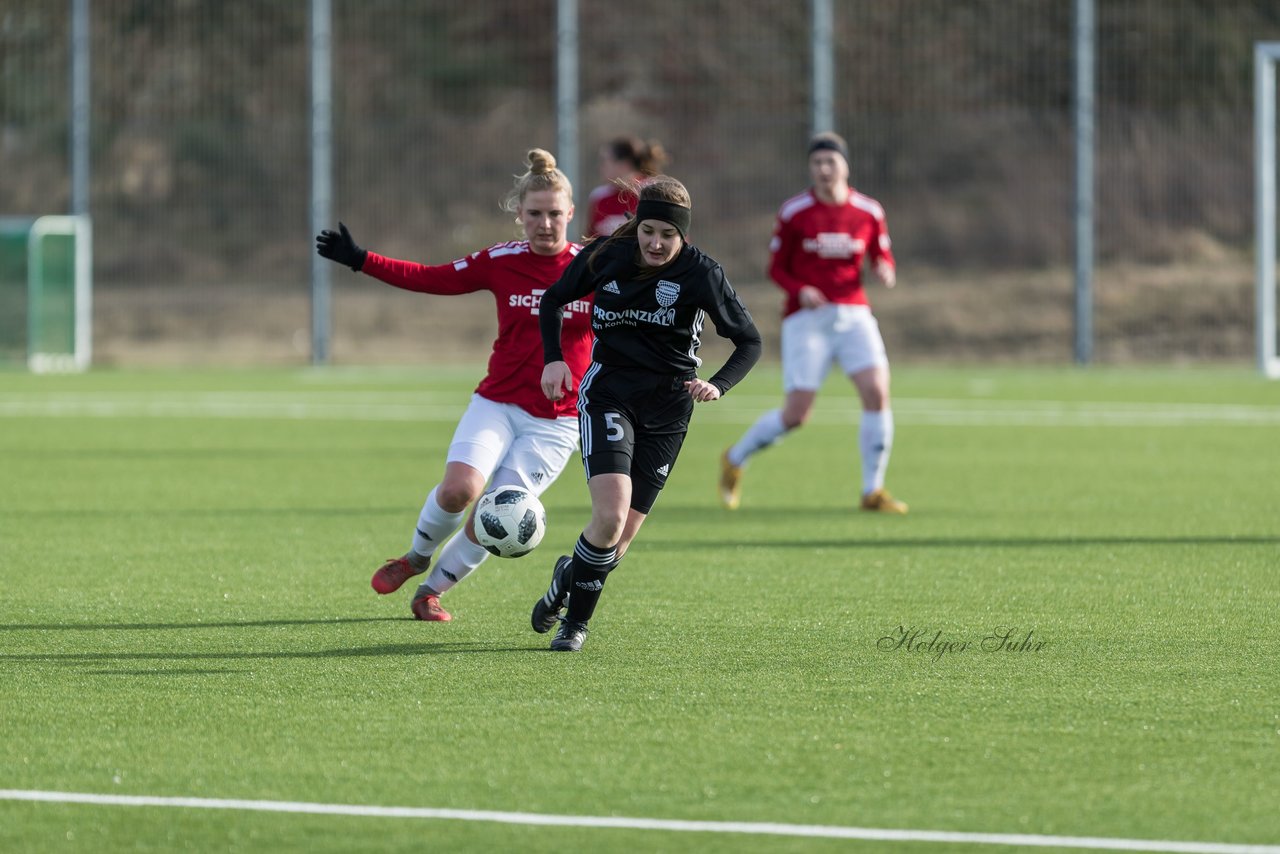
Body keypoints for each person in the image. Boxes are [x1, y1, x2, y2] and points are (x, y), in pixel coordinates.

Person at [314, 149, 593, 622]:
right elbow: (433, 278)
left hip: (559, 422)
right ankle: (415, 556)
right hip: (497, 402)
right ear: (519, 214)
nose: (545, 224)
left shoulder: (593, 269)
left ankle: (430, 592)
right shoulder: (501, 261)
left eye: (554, 214)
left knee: (497, 515)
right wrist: (362, 260)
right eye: (534, 214)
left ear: (570, 214)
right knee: (459, 491)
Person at [533, 175, 763, 652]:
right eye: (649, 231)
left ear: (684, 236)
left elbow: (749, 341)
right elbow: (554, 299)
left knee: (615, 545)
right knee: (611, 514)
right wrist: (554, 356)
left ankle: (566, 578)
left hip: (669, 407)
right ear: (637, 225)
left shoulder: (702, 274)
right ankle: (574, 625)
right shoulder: (607, 256)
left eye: (668, 235)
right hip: (609, 393)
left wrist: (717, 385)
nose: (656, 243)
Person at [719, 132, 907, 514]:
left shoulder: (869, 211)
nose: (823, 169)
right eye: (817, 163)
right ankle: (735, 458)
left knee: (877, 393)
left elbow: (880, 254)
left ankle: (873, 491)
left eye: (830, 162)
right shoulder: (795, 213)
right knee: (796, 415)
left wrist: (885, 269)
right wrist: (800, 288)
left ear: (845, 166)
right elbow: (776, 267)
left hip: (854, 314)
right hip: (807, 321)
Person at [585, 136, 669, 238]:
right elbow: (589, 242)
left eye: (604, 161)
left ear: (624, 165)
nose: (600, 167)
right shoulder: (599, 196)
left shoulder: (654, 194)